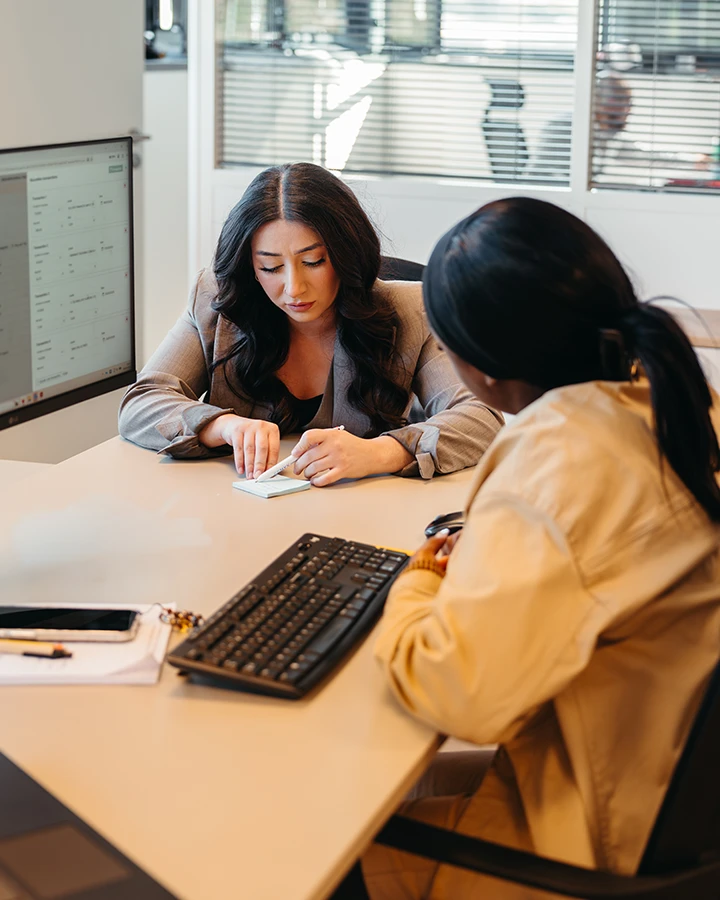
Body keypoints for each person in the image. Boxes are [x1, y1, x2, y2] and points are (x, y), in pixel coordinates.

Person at [353, 197, 720, 898]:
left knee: (325, 834)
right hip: (669, 796)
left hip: (599, 838)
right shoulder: (671, 400)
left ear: (482, 371)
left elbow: (458, 695)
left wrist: (420, 578)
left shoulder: (562, 457)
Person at [118, 163, 502, 484]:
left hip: (364, 515)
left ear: (345, 254)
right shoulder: (217, 301)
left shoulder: (411, 310)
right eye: (270, 267)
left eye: (314, 262)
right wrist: (222, 427)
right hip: (240, 515)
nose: (294, 287)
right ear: (250, 267)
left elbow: (480, 418)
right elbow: (142, 401)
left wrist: (381, 452)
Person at [527, 70, 708, 183]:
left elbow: (642, 155)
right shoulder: (567, 127)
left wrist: (694, 160)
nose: (629, 110)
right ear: (603, 101)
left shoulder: (607, 134)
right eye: (624, 102)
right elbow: (554, 177)